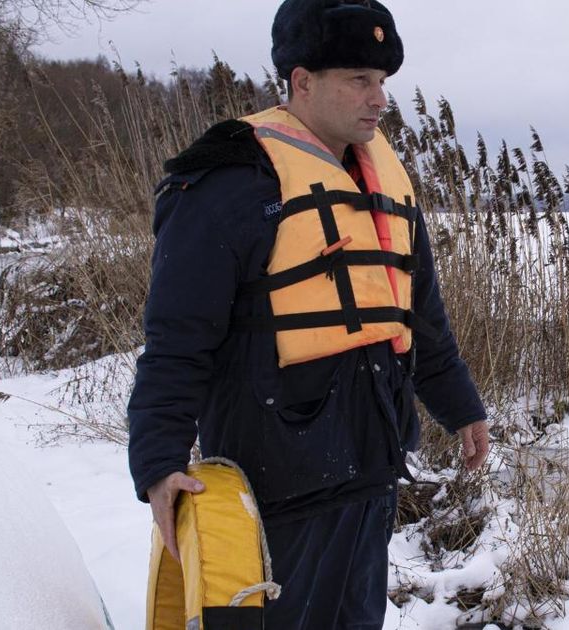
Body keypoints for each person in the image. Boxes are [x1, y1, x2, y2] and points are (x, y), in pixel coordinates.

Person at [126, 1, 489, 627]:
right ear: (301, 81)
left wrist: (460, 407)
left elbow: (418, 314)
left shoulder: (384, 183)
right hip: (274, 483)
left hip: (370, 470)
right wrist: (158, 461)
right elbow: (177, 338)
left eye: (382, 82)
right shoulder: (229, 180)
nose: (378, 99)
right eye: (359, 80)